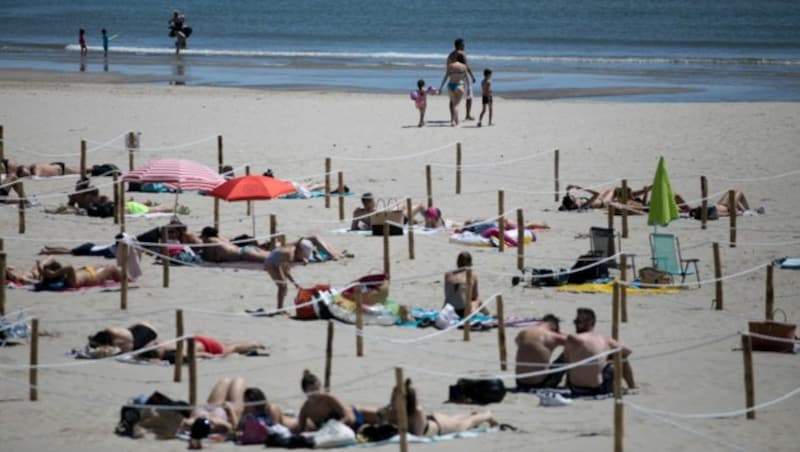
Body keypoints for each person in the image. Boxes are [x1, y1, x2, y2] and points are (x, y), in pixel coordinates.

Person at [383, 378, 497, 437]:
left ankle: (487, 415)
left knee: (466, 424)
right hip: (436, 419)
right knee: (455, 419)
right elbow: (380, 417)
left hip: (441, 427)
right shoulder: (393, 407)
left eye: (396, 397)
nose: (393, 400)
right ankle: (472, 414)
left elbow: (417, 436)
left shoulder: (416, 411)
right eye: (394, 397)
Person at [563, 308, 637, 396]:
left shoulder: (572, 340)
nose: (576, 324)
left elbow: (567, 361)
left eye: (578, 322)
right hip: (597, 389)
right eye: (575, 321)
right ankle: (632, 385)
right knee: (621, 356)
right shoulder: (604, 339)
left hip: (574, 388)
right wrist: (606, 356)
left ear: (590, 323)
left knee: (569, 359)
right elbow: (628, 351)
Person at [294, 370, 374, 433]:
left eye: (317, 389)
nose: (316, 393)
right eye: (312, 390)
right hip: (337, 432)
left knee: (381, 416)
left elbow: (346, 416)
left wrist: (335, 427)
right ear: (305, 392)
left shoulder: (328, 399)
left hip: (355, 418)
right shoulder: (305, 409)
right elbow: (301, 430)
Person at [180, 377, 246, 448]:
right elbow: (234, 428)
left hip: (210, 412)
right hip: (204, 410)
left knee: (231, 381)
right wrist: (231, 411)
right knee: (232, 381)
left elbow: (233, 428)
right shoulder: (195, 422)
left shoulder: (216, 422)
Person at [514, 314, 567, 390]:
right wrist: (560, 334)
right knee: (568, 354)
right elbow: (576, 343)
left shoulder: (524, 333)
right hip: (540, 384)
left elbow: (516, 341)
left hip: (520, 381)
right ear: (554, 326)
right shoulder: (552, 336)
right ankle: (571, 383)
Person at [444, 251, 489, 317]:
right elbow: (474, 296)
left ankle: (487, 314)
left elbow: (448, 294)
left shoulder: (447, 274)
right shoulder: (472, 274)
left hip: (447, 310)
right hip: (463, 312)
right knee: (477, 300)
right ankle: (488, 314)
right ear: (469, 263)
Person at [36, 255, 123, 290]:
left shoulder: (65, 276)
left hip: (88, 271)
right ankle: (124, 280)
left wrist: (42, 265)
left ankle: (118, 275)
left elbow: (51, 257)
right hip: (93, 277)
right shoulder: (70, 282)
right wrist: (53, 274)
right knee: (112, 268)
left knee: (102, 266)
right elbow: (69, 267)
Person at [443, 38, 476, 121]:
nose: (464, 46)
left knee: (452, 98)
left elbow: (448, 66)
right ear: (459, 45)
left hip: (452, 76)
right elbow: (466, 66)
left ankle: (452, 117)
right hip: (462, 76)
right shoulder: (462, 54)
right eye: (463, 45)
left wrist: (450, 75)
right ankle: (467, 115)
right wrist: (472, 76)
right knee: (469, 96)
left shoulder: (450, 55)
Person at [197, 226, 271, 263]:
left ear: (205, 236)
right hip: (245, 250)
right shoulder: (219, 239)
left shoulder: (210, 241)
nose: (202, 239)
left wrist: (202, 254)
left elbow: (210, 259)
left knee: (271, 260)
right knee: (272, 256)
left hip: (244, 253)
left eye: (202, 237)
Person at [439, 53, 470, 127]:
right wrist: (468, 88)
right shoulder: (464, 66)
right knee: (456, 105)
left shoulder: (451, 65)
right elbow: (467, 78)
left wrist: (441, 87)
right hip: (460, 85)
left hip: (451, 85)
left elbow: (446, 77)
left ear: (456, 58)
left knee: (454, 104)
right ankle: (456, 121)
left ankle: (453, 120)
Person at [87, 322, 158, 353]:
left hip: (147, 333)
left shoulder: (119, 341)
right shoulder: (111, 331)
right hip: (144, 326)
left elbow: (128, 351)